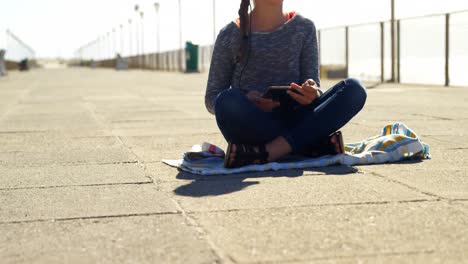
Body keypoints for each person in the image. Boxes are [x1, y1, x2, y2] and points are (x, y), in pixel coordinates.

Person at [205, 0, 367, 168]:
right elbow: (212, 99)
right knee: (227, 101)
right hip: (255, 124)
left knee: (354, 90)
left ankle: (271, 151)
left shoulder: (304, 27)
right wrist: (246, 99)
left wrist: (312, 93)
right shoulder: (229, 34)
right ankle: (307, 145)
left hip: (298, 118)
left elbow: (314, 86)